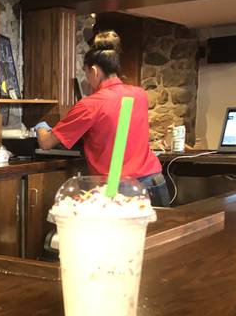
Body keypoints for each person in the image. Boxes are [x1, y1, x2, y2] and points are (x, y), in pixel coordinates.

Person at [35, 31, 169, 206]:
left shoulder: (91, 104)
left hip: (121, 189)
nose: (88, 79)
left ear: (94, 70)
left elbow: (46, 143)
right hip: (155, 182)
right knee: (157, 234)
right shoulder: (140, 95)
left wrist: (40, 126)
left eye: (86, 73)